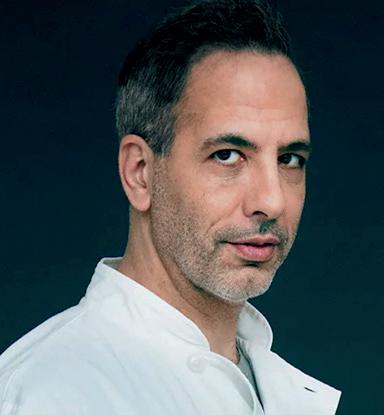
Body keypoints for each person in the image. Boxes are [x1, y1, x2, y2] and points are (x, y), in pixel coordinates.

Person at [0, 0, 341, 413]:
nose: (271, 201)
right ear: (140, 172)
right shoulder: (48, 393)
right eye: (227, 155)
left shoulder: (269, 383)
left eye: (289, 159)